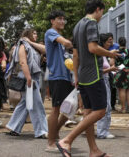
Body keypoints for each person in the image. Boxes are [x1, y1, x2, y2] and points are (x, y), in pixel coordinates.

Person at [56, 0, 119, 157]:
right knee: (100, 111)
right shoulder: (91, 24)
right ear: (98, 9)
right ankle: (67, 140)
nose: (101, 15)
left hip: (83, 75)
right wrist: (110, 53)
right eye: (102, 11)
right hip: (94, 73)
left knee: (88, 112)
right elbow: (93, 47)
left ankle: (94, 150)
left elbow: (75, 54)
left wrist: (76, 76)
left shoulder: (78, 25)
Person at [5, 29, 48, 138]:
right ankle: (41, 131)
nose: (36, 35)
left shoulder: (31, 45)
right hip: (27, 76)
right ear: (27, 34)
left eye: (36, 33)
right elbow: (23, 62)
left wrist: (30, 42)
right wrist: (29, 78)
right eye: (33, 33)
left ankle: (14, 127)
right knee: (37, 104)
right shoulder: (23, 45)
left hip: (33, 76)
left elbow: (46, 50)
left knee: (25, 103)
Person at [44, 10, 74, 151]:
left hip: (66, 76)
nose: (62, 21)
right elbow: (67, 43)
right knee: (56, 109)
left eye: (64, 19)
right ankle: (50, 143)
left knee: (69, 109)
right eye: (59, 19)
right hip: (57, 76)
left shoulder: (57, 36)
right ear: (52, 21)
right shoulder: (51, 33)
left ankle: (54, 135)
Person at [96, 33, 118, 139]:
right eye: (109, 41)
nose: (111, 43)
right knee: (105, 106)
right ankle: (102, 131)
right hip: (102, 80)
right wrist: (110, 69)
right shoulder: (99, 54)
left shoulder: (104, 54)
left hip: (105, 79)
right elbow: (98, 71)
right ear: (103, 42)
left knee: (107, 106)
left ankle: (104, 130)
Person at [112, 37, 129, 113]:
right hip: (127, 71)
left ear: (119, 43)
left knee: (121, 90)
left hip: (119, 72)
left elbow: (112, 63)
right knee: (128, 89)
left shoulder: (116, 51)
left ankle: (123, 108)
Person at [108, 33, 119, 111]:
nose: (110, 41)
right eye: (109, 40)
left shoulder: (116, 46)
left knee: (113, 88)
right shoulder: (105, 47)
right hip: (107, 68)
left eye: (111, 39)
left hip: (115, 69)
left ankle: (112, 104)